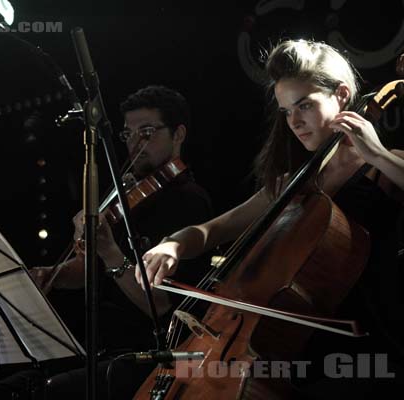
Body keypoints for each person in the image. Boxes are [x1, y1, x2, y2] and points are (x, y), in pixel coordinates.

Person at [137, 39, 404, 398]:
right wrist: (174, 243)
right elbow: (209, 231)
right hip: (294, 348)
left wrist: (376, 154)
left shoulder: (386, 167)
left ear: (341, 95)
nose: (294, 121)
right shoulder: (291, 184)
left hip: (367, 350)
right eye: (286, 111)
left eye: (305, 105)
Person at [0, 85, 215, 399]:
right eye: (128, 133)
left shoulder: (189, 202)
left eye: (147, 132)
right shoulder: (130, 196)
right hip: (102, 350)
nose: (135, 142)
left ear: (178, 134)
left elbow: (161, 307)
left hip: (148, 358)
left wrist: (109, 251)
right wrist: (50, 275)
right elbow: (91, 269)